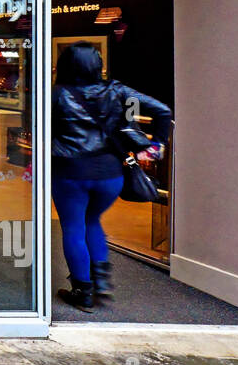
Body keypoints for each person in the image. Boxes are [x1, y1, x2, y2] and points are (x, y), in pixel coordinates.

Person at [52, 41, 171, 312]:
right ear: (97, 65)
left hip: (70, 172)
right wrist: (155, 147)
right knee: (92, 221)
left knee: (73, 227)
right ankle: (102, 284)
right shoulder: (117, 91)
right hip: (110, 173)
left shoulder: (57, 95)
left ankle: (82, 291)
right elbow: (163, 111)